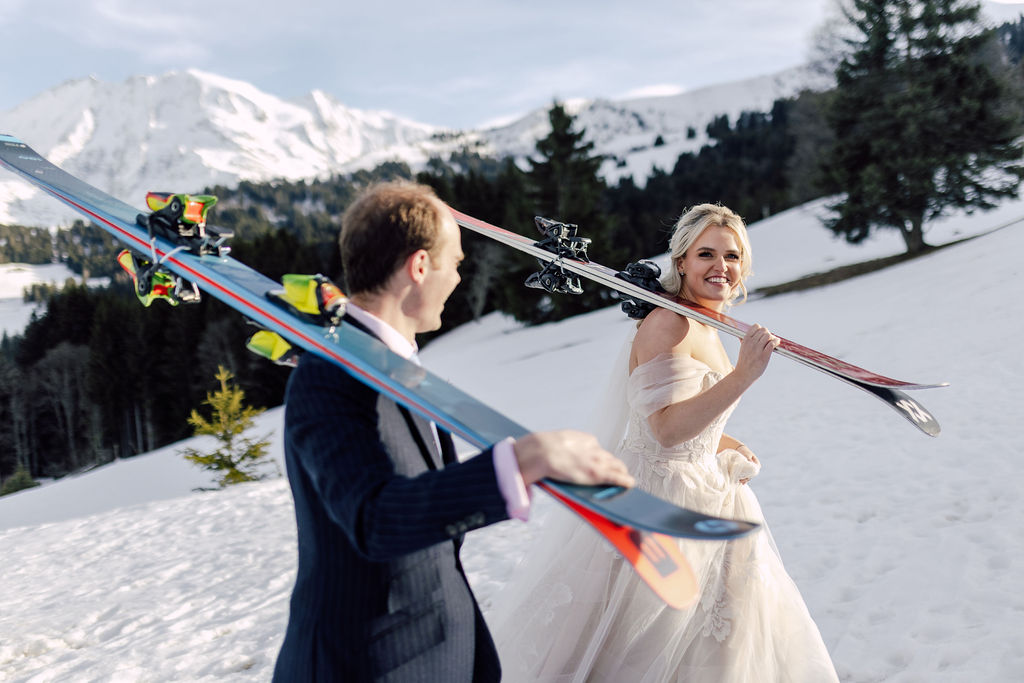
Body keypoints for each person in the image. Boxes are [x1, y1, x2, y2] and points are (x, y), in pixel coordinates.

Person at [271, 181, 634, 683]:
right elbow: (374, 519)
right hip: (361, 666)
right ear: (420, 267)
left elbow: (426, 516)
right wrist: (523, 461)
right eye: (456, 263)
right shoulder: (329, 374)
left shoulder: (399, 368)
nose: (459, 278)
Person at [489, 204, 839, 682]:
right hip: (661, 502)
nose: (721, 266)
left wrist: (721, 440)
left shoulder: (705, 322)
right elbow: (664, 429)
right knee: (645, 644)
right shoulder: (668, 323)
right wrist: (742, 377)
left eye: (732, 256)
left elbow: (688, 414)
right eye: (706, 254)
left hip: (707, 491)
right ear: (681, 263)